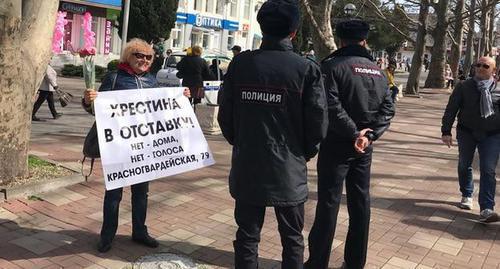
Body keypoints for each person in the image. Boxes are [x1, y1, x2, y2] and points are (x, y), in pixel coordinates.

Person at [217, 0, 328, 268]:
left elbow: (225, 115)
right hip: (288, 166)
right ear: (293, 31)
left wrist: (241, 141)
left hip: (248, 163)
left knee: (247, 236)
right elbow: (318, 123)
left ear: (261, 27)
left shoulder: (241, 64)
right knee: (292, 238)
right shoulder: (305, 69)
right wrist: (304, 151)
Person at [83, 38, 189, 253]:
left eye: (148, 57)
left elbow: (161, 110)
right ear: (127, 57)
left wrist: (181, 98)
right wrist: (89, 100)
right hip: (119, 147)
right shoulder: (114, 78)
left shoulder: (151, 80)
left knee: (141, 193)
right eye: (138, 55)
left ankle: (139, 231)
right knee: (113, 194)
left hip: (144, 146)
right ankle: (107, 235)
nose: (144, 60)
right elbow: (96, 111)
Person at [305, 19, 395, 269]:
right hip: (364, 146)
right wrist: (369, 136)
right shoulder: (377, 71)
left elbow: (330, 106)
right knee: (360, 203)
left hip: (337, 143)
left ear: (341, 39)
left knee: (328, 203)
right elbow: (388, 107)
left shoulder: (332, 67)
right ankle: (355, 263)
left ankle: (317, 262)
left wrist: (355, 133)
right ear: (364, 41)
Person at [441, 56, 500, 223]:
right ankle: (467, 193)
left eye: (485, 66)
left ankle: (487, 208)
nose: (480, 68)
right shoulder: (463, 86)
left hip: (492, 135)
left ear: (493, 71)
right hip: (467, 132)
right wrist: (446, 131)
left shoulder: (498, 89)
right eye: (478, 65)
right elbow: (451, 109)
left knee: (488, 169)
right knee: (464, 164)